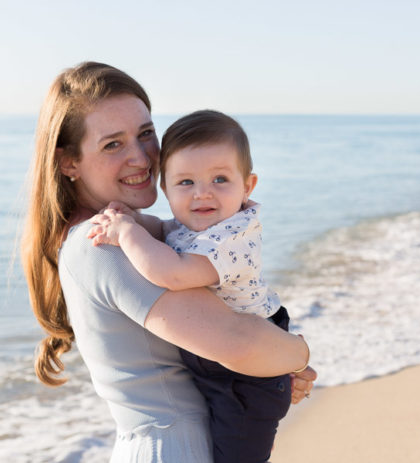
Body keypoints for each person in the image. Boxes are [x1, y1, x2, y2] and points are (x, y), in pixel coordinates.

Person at [20, 62, 316, 463]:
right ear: (68, 162)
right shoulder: (104, 243)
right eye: (112, 145)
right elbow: (239, 342)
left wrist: (275, 368)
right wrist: (296, 355)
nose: (141, 158)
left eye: (145, 135)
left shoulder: (144, 232)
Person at [87, 110, 299, 463]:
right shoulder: (194, 226)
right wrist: (129, 216)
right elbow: (162, 229)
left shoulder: (231, 238)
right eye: (185, 183)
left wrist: (125, 231)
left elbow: (172, 274)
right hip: (220, 368)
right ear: (165, 188)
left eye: (220, 179)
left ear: (248, 186)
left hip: (247, 380)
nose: (202, 194)